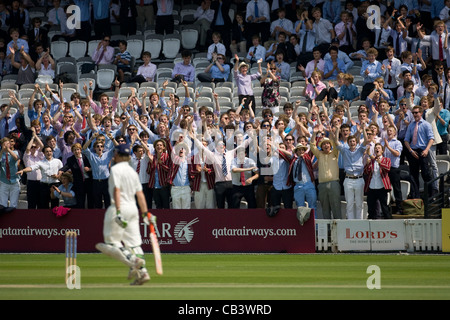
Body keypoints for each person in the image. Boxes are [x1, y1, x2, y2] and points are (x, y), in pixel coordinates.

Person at [95, 143, 152, 286]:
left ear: (120, 155)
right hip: (133, 209)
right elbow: (140, 194)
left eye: (115, 153)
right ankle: (143, 273)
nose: (113, 155)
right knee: (134, 244)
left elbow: (117, 191)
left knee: (110, 242)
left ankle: (134, 262)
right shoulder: (133, 171)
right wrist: (146, 213)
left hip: (119, 207)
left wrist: (118, 211)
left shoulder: (115, 169)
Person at [334, 124, 369, 220]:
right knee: (349, 204)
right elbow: (336, 141)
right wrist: (337, 130)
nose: (352, 143)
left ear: (356, 142)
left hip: (359, 179)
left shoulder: (360, 149)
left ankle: (359, 223)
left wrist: (364, 130)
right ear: (348, 143)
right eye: (350, 141)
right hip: (348, 179)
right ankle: (350, 223)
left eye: (354, 141)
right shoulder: (344, 150)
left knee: (359, 204)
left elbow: (366, 141)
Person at [404, 105, 437, 197]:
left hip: (423, 151)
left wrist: (426, 150)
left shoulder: (426, 125)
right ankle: (416, 196)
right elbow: (406, 140)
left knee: (426, 174)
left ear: (421, 113)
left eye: (416, 112)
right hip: (413, 151)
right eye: (413, 113)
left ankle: (430, 194)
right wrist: (410, 151)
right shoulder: (411, 125)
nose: (414, 115)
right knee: (413, 175)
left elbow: (431, 139)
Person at [310, 126, 342, 219]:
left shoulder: (334, 153)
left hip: (334, 183)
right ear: (321, 146)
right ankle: (327, 230)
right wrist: (314, 133)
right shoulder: (319, 154)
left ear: (330, 145)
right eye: (324, 144)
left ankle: (338, 229)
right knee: (325, 209)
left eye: (328, 143)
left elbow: (336, 143)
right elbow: (312, 145)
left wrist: (333, 132)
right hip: (322, 185)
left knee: (336, 207)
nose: (326, 145)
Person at [58, 143, 94, 209]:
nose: (76, 151)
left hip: (88, 181)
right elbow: (66, 166)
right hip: (79, 183)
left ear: (80, 150)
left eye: (78, 149)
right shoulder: (70, 159)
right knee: (80, 202)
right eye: (74, 150)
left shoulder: (86, 157)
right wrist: (61, 170)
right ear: (72, 151)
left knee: (90, 200)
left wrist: (89, 169)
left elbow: (94, 167)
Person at [364, 143, 392, 219]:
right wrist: (367, 164)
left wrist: (380, 163)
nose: (377, 149)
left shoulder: (386, 160)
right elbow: (366, 172)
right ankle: (371, 225)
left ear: (382, 151)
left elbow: (387, 169)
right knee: (370, 208)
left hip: (382, 187)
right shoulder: (371, 161)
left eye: (379, 148)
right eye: (376, 148)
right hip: (372, 187)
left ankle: (389, 224)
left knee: (384, 207)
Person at [0, 137, 20, 209]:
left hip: (14, 181)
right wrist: (2, 150)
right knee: (2, 204)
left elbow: (16, 158)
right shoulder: (1, 154)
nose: (6, 145)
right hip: (4, 181)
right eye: (5, 144)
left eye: (8, 143)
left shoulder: (15, 152)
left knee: (13, 204)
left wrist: (8, 150)